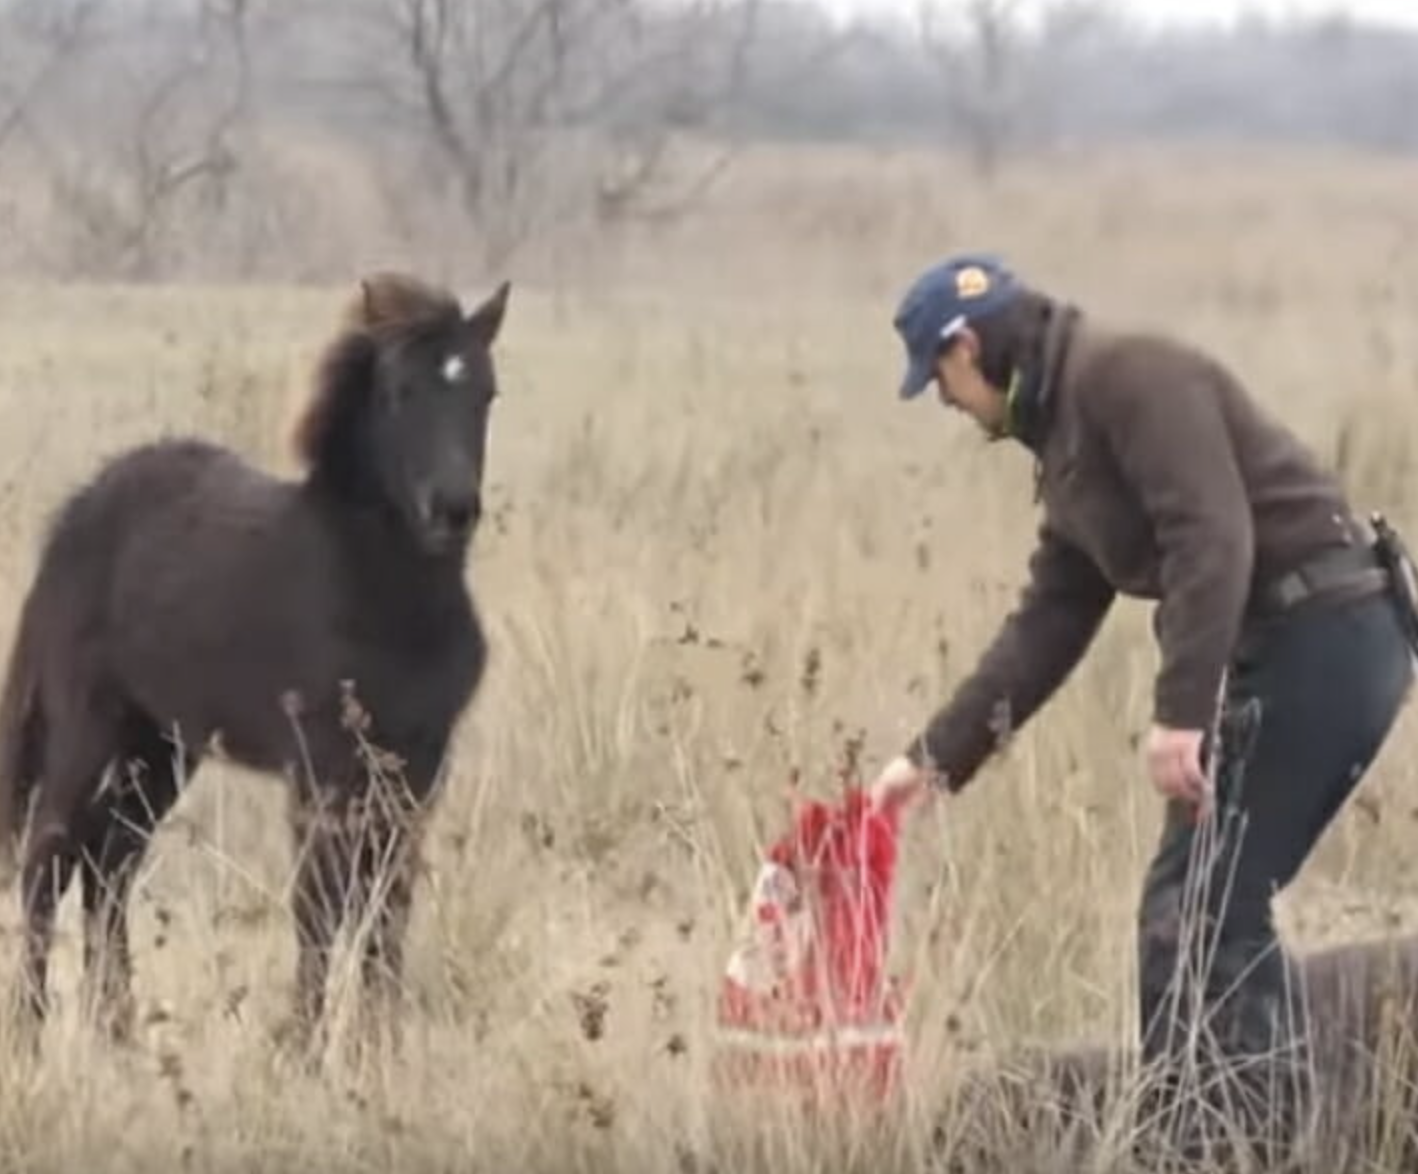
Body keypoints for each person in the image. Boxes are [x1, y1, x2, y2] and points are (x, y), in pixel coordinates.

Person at [869, 252, 1417, 1155]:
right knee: (1185, 900)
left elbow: (1214, 536)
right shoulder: (1072, 445)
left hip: (1330, 640)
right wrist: (930, 764)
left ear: (967, 345)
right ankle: (1188, 1125)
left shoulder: (1128, 376)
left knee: (1209, 901)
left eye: (940, 381)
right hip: (1291, 651)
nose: (947, 404)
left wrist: (1182, 715)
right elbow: (1047, 623)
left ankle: (1253, 1134)